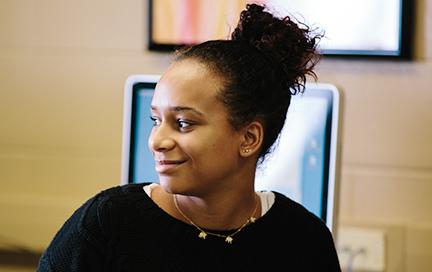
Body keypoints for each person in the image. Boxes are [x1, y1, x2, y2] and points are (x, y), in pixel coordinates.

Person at [37, 3, 341, 271]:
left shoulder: (303, 240)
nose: (157, 141)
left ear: (249, 138)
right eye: (156, 120)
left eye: (183, 123)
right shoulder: (106, 226)